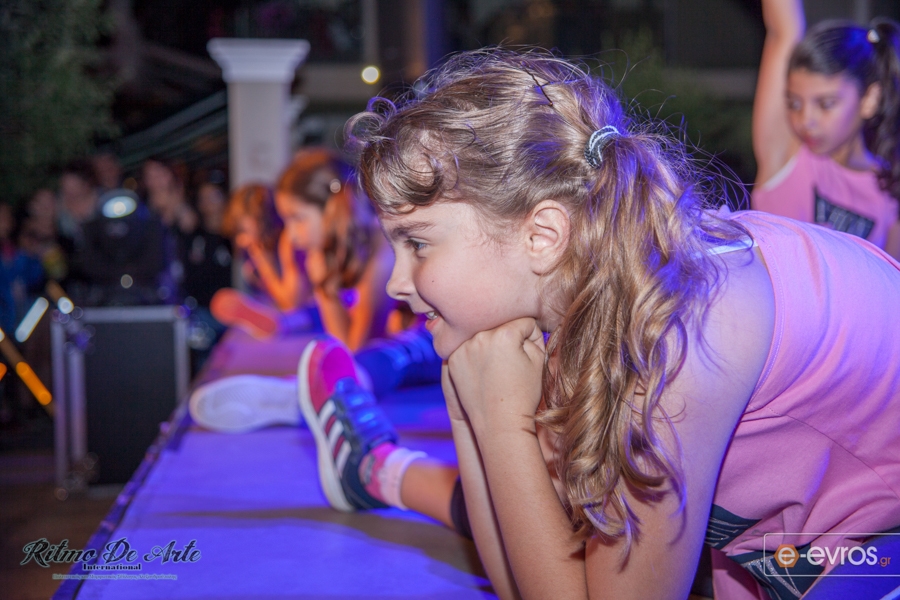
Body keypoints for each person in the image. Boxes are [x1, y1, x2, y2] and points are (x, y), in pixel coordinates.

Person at [289, 49, 900, 600]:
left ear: (542, 236)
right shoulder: (591, 311)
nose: (396, 283)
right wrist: (472, 405)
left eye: (417, 243)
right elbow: (529, 574)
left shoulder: (670, 339)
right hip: (810, 557)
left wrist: (501, 422)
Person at [190, 149, 440, 432]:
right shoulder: (344, 249)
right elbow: (346, 344)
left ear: (331, 208)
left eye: (298, 218)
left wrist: (325, 286)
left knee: (399, 350)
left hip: (431, 346)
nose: (293, 236)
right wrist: (325, 285)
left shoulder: (381, 251)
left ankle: (312, 395)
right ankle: (316, 389)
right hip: (393, 348)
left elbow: (355, 350)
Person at [752, 0, 900, 259]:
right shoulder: (785, 154)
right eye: (794, 103)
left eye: (825, 104)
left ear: (869, 99)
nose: (805, 120)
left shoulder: (890, 194)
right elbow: (783, 30)